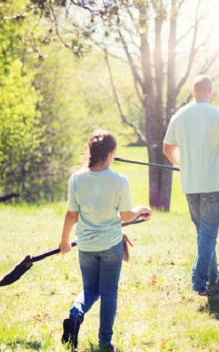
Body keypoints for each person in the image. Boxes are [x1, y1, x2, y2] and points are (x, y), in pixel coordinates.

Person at [59, 130, 152, 351]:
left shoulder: (77, 179)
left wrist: (64, 241)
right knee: (109, 292)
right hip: (110, 246)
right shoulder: (119, 180)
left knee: (90, 288)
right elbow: (126, 215)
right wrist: (142, 210)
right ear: (111, 153)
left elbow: (72, 214)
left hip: (87, 246)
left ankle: (75, 315)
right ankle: (104, 342)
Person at [163, 74, 219, 295]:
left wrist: (183, 164)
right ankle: (198, 280)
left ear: (193, 91)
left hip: (190, 182)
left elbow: (167, 149)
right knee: (208, 233)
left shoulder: (180, 115)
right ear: (210, 91)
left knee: (204, 232)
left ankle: (213, 274)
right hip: (213, 182)